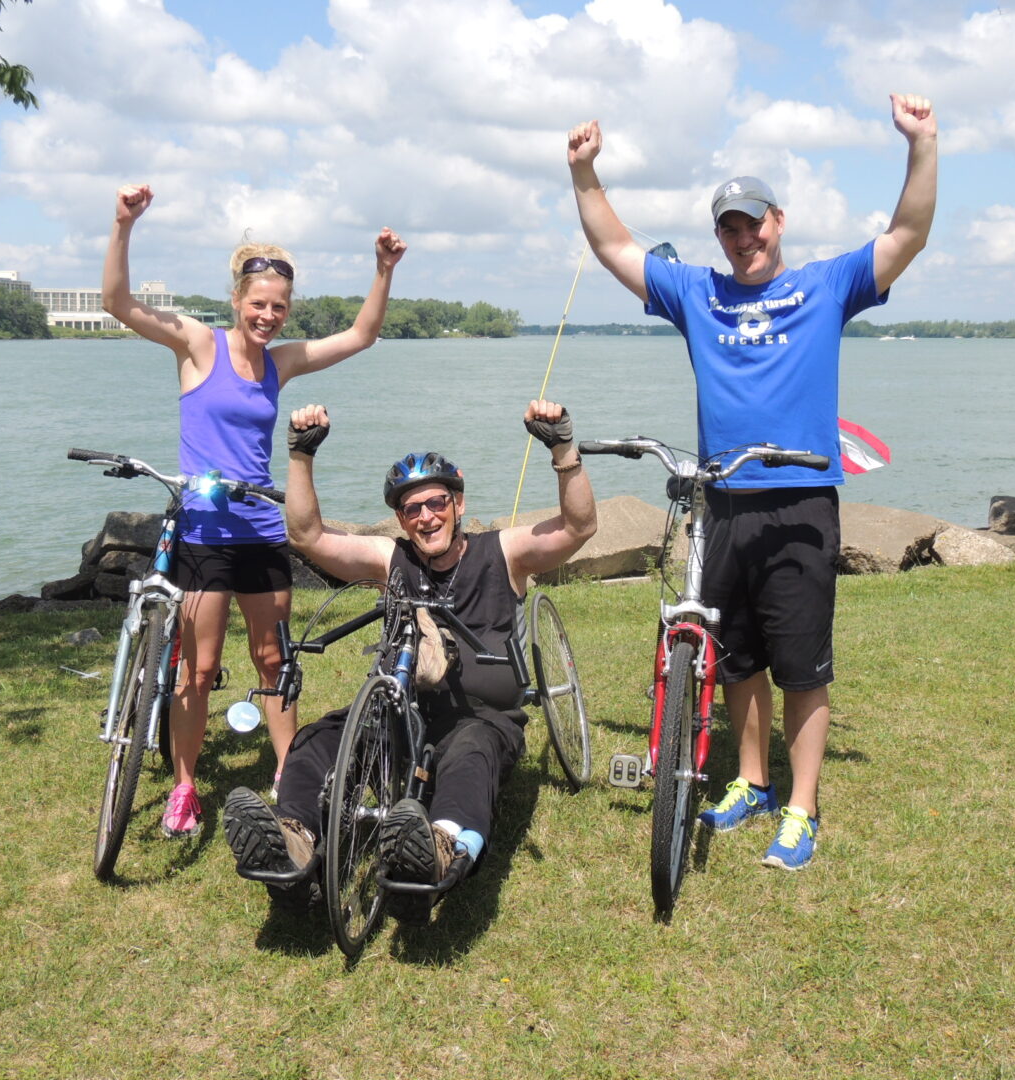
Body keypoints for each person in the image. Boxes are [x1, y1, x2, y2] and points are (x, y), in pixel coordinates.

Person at [565, 94, 937, 870]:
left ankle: (801, 809)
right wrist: (585, 172)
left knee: (802, 661)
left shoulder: (825, 287)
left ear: (779, 221)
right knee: (733, 657)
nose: (743, 239)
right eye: (729, 229)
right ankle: (754, 782)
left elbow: (906, 235)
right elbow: (616, 248)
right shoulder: (698, 294)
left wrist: (922, 145)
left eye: (754, 223)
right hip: (721, 502)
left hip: (800, 503)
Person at [102, 183, 407, 839]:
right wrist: (124, 224)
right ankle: (184, 787)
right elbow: (117, 303)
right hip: (205, 533)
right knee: (199, 667)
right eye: (258, 305)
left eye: (279, 308)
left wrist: (383, 271)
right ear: (236, 302)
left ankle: (288, 777)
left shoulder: (279, 364)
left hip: (263, 530)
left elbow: (362, 334)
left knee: (274, 660)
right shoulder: (196, 345)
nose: (268, 316)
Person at [221, 399, 597, 919]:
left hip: (480, 719)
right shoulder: (390, 559)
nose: (427, 517)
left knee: (469, 755)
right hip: (399, 710)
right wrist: (300, 456)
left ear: (458, 504)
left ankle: (438, 847)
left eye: (437, 502)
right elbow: (306, 535)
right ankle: (293, 840)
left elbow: (578, 528)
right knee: (319, 740)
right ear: (400, 519)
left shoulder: (502, 552)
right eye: (412, 509)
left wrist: (562, 448)